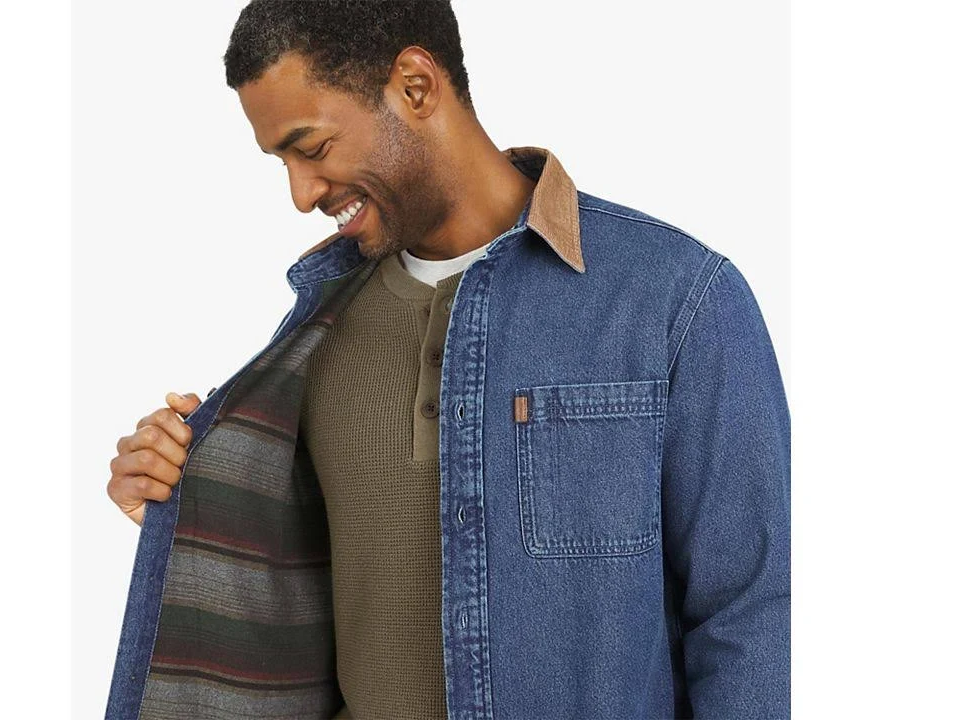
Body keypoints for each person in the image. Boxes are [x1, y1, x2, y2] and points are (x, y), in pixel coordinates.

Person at [105, 2, 791, 719]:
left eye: (312, 148)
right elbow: (282, 602)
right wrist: (184, 493)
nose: (301, 194)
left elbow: (753, 612)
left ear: (415, 85)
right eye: (283, 162)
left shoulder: (676, 299)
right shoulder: (317, 333)